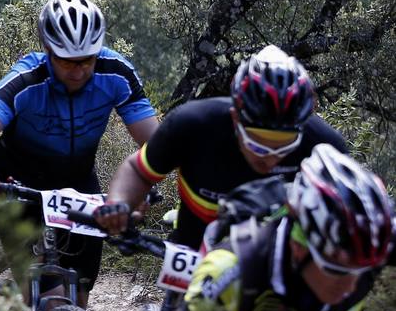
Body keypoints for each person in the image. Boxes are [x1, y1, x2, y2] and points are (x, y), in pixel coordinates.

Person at [0, 0, 158, 308]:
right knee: (49, 300)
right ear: (48, 51)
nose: (78, 71)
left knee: (79, 299)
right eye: (66, 61)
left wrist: (145, 188)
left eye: (86, 60)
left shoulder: (116, 73)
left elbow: (156, 144)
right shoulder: (28, 78)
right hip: (18, 184)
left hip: (78, 185)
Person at [96, 45, 347, 249]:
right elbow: (139, 170)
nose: (269, 158)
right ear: (236, 118)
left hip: (278, 258)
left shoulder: (325, 145)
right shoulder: (192, 124)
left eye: (283, 144)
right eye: (258, 141)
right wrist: (118, 203)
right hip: (193, 247)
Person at [180, 144, 393, 311]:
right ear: (299, 247)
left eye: (363, 268)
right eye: (336, 267)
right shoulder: (231, 271)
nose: (350, 285)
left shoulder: (370, 246)